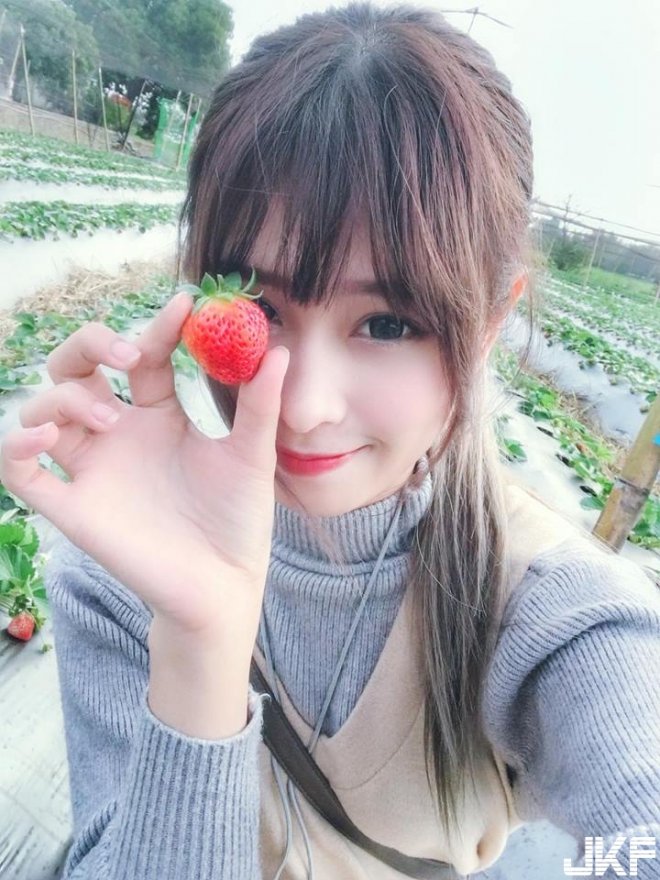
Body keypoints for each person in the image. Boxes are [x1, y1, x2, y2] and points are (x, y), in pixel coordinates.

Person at [1, 3, 659, 879]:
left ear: (490, 325)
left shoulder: (549, 610)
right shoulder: (123, 568)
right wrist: (198, 639)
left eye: (387, 323)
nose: (305, 407)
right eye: (261, 309)